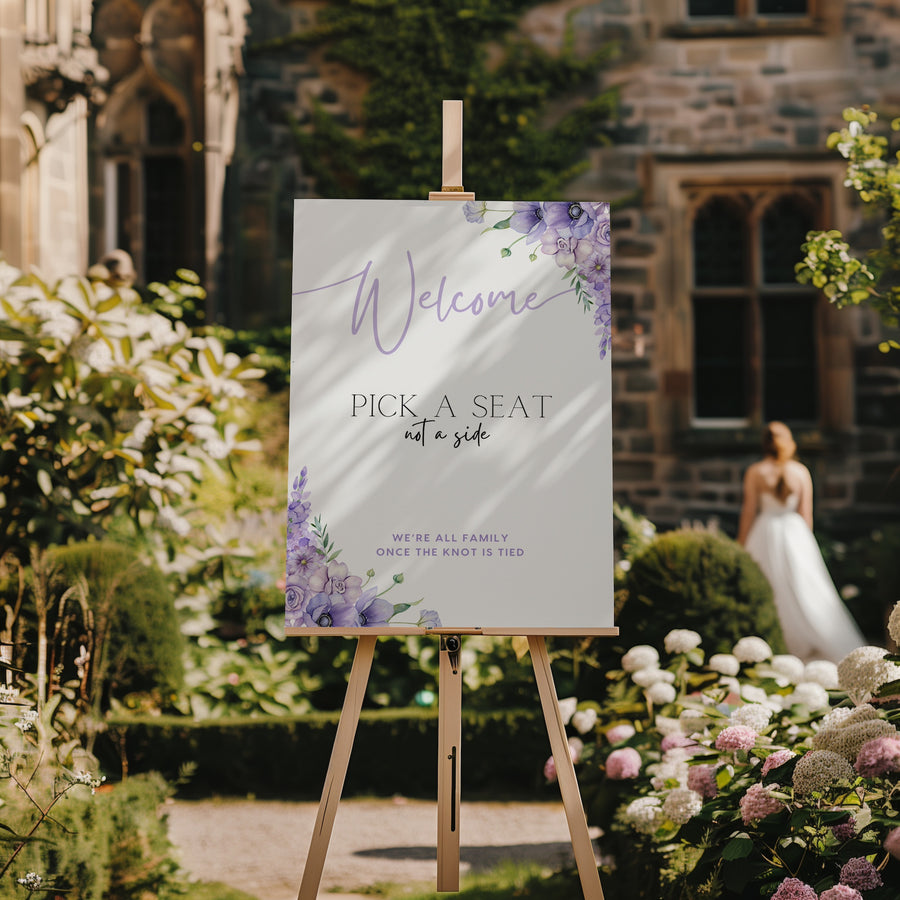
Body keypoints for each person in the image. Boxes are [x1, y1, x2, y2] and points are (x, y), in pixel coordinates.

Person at [737, 421, 865, 662]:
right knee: (804, 588)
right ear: (790, 443)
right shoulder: (801, 472)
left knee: (768, 587)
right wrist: (804, 548)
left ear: (764, 444)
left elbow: (748, 512)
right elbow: (806, 516)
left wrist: (741, 544)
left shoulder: (756, 472)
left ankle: (772, 644)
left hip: (764, 532)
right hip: (794, 534)